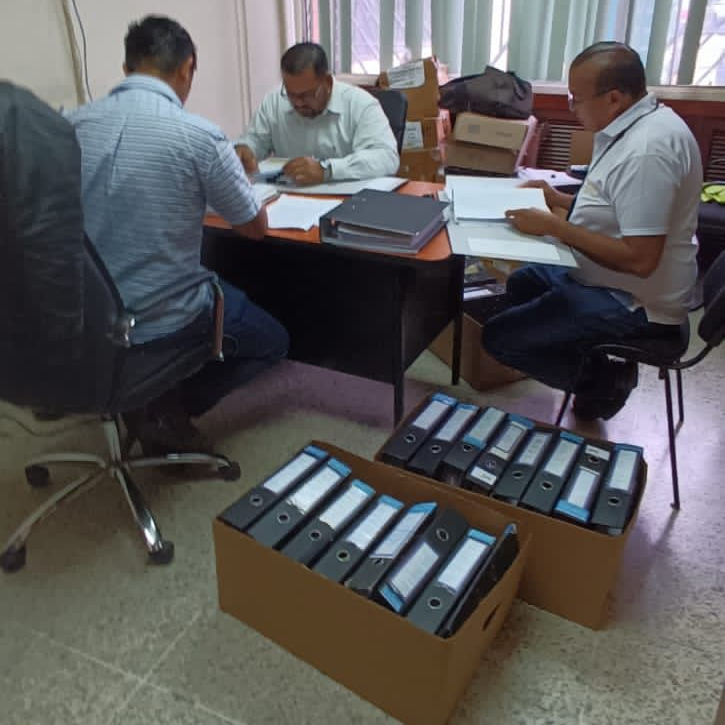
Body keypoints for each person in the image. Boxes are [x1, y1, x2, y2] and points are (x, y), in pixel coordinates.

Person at [67, 15, 289, 452]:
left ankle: (145, 399)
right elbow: (253, 227)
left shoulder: (69, 126)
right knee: (273, 341)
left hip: (82, 317)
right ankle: (164, 413)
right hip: (158, 318)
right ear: (188, 67)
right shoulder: (198, 136)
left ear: (127, 68)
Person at [482, 41, 702, 420]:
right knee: (521, 283)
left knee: (499, 339)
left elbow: (640, 260)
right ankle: (575, 353)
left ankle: (606, 382)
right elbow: (615, 206)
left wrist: (555, 226)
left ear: (614, 98)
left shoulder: (647, 152)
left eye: (576, 99)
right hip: (609, 277)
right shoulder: (634, 125)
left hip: (637, 301)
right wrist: (558, 199)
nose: (572, 107)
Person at [234, 42, 399, 185]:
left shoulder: (360, 104)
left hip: (347, 201)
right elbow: (254, 140)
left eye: (306, 95)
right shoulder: (275, 101)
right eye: (291, 94)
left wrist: (327, 170)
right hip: (290, 198)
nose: (298, 103)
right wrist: (245, 150)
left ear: (327, 81)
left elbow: (387, 158)